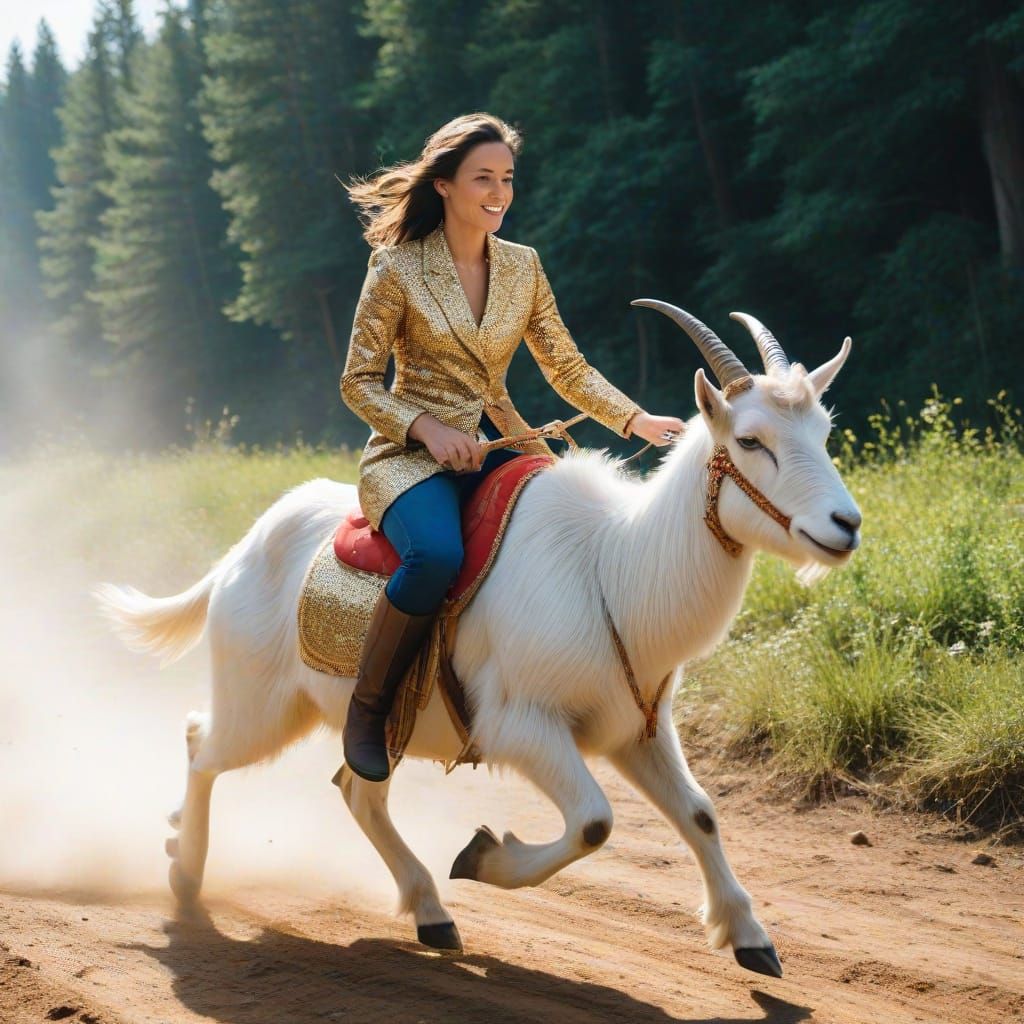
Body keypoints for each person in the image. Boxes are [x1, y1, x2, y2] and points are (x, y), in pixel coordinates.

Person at [339, 112, 685, 782]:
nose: (498, 192)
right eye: (482, 179)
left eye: (507, 179)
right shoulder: (396, 268)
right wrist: (428, 431)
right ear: (443, 184)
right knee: (436, 554)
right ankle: (368, 709)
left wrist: (635, 420)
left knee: (575, 534)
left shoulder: (524, 266)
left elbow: (568, 368)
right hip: (409, 458)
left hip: (503, 442)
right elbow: (356, 383)